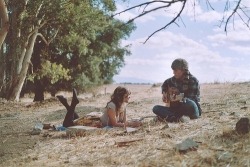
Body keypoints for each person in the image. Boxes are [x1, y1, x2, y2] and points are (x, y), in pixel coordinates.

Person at [57, 86, 142, 128]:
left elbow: (124, 122)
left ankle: (68, 104)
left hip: (97, 119)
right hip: (96, 122)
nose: (128, 98)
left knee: (75, 120)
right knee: (67, 124)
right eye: (126, 96)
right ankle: (72, 104)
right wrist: (131, 124)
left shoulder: (123, 105)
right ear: (120, 97)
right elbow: (115, 124)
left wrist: (131, 123)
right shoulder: (112, 106)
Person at [152, 58, 202, 122]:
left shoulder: (193, 80)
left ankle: (170, 117)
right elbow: (164, 84)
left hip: (191, 109)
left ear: (183, 70)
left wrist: (178, 96)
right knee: (156, 108)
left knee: (188, 103)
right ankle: (177, 118)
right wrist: (164, 93)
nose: (173, 72)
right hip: (177, 109)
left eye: (175, 70)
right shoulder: (173, 79)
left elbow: (191, 99)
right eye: (173, 70)